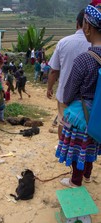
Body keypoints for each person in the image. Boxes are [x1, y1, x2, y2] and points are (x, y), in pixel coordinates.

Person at [55, 2, 101, 187]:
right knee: (90, 147)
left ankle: (76, 181)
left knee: (77, 149)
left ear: (87, 27)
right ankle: (88, 175)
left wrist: (65, 101)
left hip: (82, 113)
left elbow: (69, 91)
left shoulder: (84, 59)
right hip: (98, 115)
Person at [47, 9, 91, 139]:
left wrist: (49, 88)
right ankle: (83, 154)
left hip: (65, 94)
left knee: (64, 121)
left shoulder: (63, 42)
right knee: (86, 124)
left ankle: (64, 148)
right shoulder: (96, 43)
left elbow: (54, 70)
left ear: (77, 23)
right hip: (89, 96)